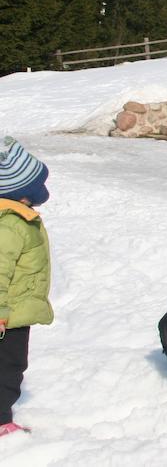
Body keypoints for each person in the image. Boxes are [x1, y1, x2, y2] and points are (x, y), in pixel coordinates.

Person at [0, 137, 54, 436]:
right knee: (7, 368)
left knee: (10, 366)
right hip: (8, 316)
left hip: (14, 312)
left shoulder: (16, 218)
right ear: (22, 193)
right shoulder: (9, 225)